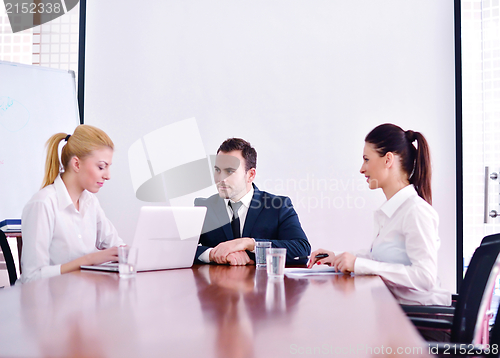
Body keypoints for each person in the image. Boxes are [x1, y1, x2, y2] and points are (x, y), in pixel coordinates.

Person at [308, 124, 450, 306]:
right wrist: (337, 257)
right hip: (396, 315)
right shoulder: (393, 211)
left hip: (420, 322)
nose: (361, 168)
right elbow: (382, 259)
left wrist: (358, 264)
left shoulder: (416, 211)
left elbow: (425, 277)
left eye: (367, 159)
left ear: (388, 160)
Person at [19, 125, 124, 283]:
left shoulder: (90, 202)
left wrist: (131, 254)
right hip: (47, 303)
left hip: (81, 299)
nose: (107, 176)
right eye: (101, 167)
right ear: (76, 164)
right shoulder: (43, 204)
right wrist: (87, 260)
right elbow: (31, 277)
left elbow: (117, 246)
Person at [194, 138, 311, 266]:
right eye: (217, 170)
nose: (221, 178)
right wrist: (212, 254)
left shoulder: (278, 206)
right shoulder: (204, 207)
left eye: (229, 171)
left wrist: (249, 244)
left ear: (251, 175)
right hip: (216, 284)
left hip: (261, 283)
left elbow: (301, 250)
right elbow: (178, 250)